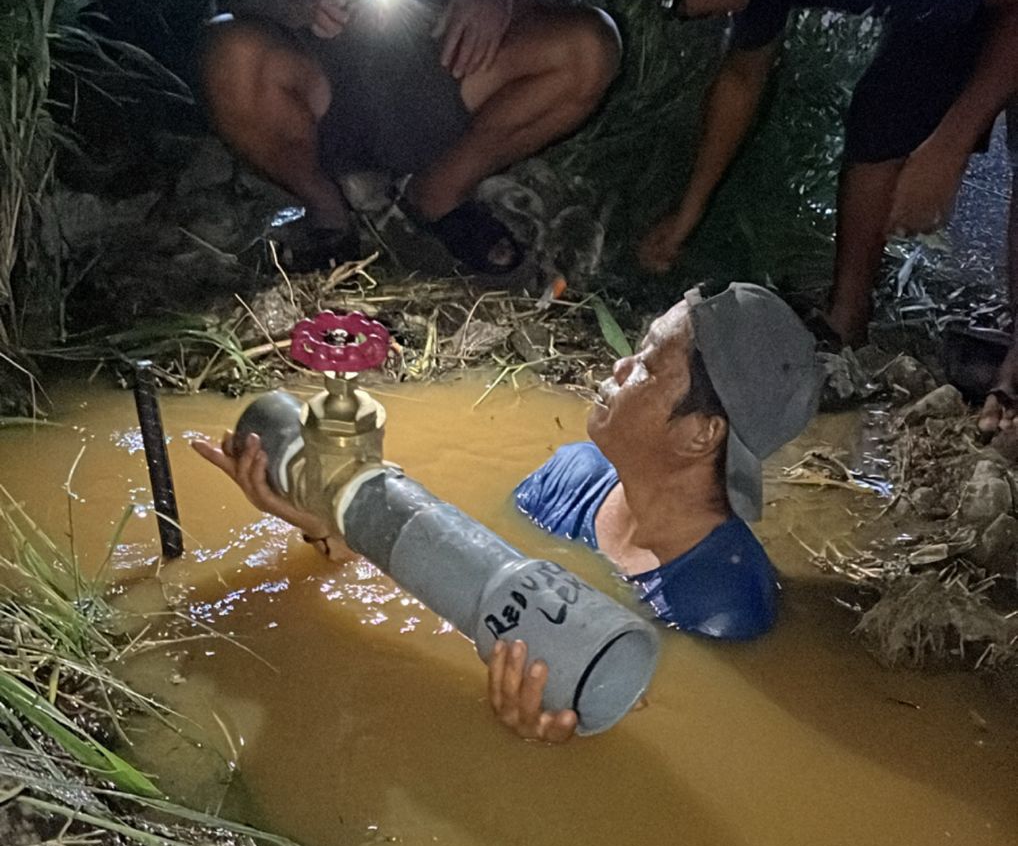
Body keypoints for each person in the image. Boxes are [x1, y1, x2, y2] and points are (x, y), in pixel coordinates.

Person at [193, 282, 821, 743]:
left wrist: (561, 738)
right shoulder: (568, 478)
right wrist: (324, 525)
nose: (618, 366)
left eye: (649, 366)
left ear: (699, 436)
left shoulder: (721, 605)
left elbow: (677, 736)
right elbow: (449, 560)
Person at [598, 0, 1018, 438]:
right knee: (881, 113)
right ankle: (846, 324)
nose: (685, 14)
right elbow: (742, 79)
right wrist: (686, 215)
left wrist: (949, 148)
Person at [202, 0, 620, 274]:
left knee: (592, 47)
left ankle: (438, 194)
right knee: (226, 51)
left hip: (454, 74)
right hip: (321, 78)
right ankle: (324, 206)